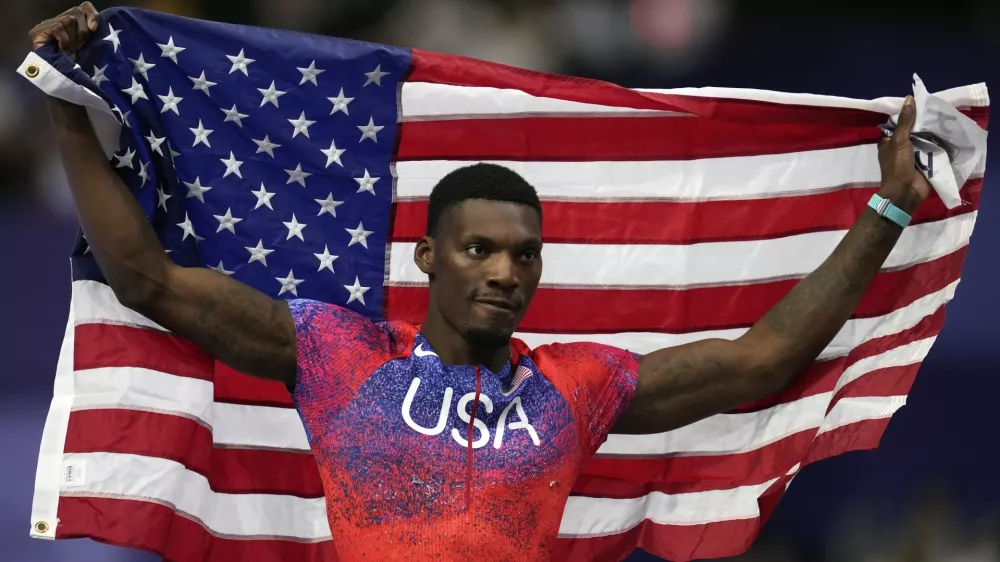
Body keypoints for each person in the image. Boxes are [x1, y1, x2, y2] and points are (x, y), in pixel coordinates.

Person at [29, 3, 933, 561]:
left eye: (524, 255)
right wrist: (73, 110)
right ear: (427, 256)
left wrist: (887, 209)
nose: (506, 271)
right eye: (479, 250)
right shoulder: (338, 354)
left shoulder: (574, 388)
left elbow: (757, 362)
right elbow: (146, 279)